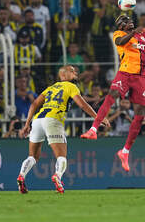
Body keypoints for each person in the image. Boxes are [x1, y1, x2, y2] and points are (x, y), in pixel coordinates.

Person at [81, 14, 145, 172]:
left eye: (130, 20)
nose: (130, 21)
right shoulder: (119, 34)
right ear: (121, 25)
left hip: (140, 78)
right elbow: (120, 42)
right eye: (126, 21)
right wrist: (133, 33)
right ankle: (93, 130)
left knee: (140, 114)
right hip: (124, 73)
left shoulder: (144, 34)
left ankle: (125, 152)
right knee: (112, 96)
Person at [17, 65, 110, 194]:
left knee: (32, 156)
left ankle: (21, 175)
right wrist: (99, 118)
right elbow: (82, 104)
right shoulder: (71, 86)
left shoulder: (50, 88)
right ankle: (58, 177)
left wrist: (27, 124)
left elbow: (34, 104)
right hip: (53, 120)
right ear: (63, 75)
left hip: (37, 120)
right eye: (72, 71)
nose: (76, 73)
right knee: (61, 156)